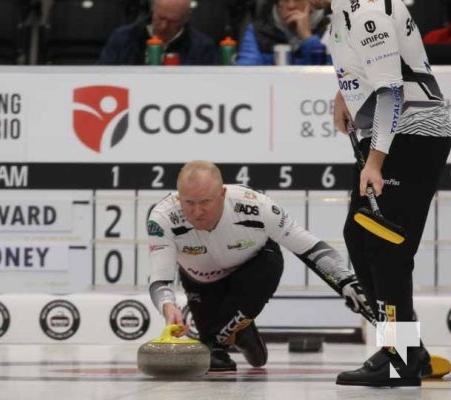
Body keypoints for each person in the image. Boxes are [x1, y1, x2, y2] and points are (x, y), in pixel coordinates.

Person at [308, 0, 451, 387]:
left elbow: (391, 93)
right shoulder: (340, 13)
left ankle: (399, 358)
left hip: (414, 134)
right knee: (359, 236)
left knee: (385, 246)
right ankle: (410, 351)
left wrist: (374, 162)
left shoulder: (366, 13)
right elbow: (369, 71)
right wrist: (345, 94)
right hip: (395, 136)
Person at [147, 160, 371, 371]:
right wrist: (168, 306)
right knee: (212, 356)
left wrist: (345, 281)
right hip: (201, 280)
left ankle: (404, 355)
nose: (197, 212)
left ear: (223, 193)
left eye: (205, 201)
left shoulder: (256, 205)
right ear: (179, 199)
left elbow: (308, 247)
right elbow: (160, 278)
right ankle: (239, 330)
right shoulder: (163, 217)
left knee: (266, 267)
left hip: (254, 269)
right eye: (189, 203)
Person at [96, 0, 217, 65]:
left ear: (187, 17)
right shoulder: (123, 37)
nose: (163, 27)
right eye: (159, 18)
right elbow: (101, 76)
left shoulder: (202, 47)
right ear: (152, 10)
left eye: (172, 21)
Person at [236, 0, 331, 65]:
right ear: (277, 4)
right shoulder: (258, 30)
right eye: (285, 0)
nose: (291, 6)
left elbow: (332, 75)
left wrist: (308, 38)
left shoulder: (331, 27)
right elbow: (246, 73)